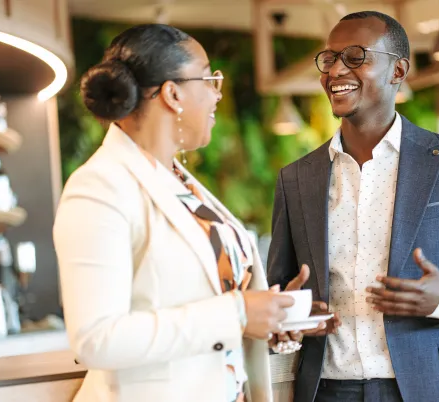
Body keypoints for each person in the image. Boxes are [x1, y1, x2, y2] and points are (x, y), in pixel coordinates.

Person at [266, 11, 439, 402]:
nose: (336, 70)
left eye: (356, 57)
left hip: (433, 388)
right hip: (326, 390)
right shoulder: (295, 178)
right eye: (330, 58)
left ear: (398, 70)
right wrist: (287, 314)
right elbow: (278, 292)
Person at [53, 24, 302, 402]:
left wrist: (267, 317)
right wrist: (236, 314)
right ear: (172, 93)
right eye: (209, 78)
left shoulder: (181, 183)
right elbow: (95, 339)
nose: (217, 94)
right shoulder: (99, 187)